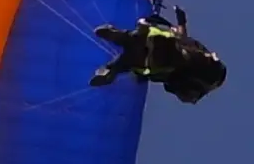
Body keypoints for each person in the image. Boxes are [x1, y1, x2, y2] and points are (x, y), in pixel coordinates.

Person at [90, 8, 228, 103]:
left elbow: (181, 37)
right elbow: (182, 37)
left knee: (142, 44)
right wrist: (182, 22)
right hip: (158, 65)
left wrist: (181, 22)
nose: (213, 55)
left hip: (166, 57)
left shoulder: (201, 62)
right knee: (133, 58)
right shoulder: (197, 72)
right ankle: (112, 67)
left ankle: (121, 44)